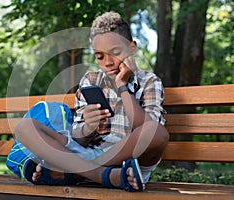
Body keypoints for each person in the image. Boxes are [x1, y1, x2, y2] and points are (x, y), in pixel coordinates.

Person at [15, 11, 169, 192]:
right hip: (87, 154)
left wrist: (122, 87)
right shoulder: (90, 80)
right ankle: (103, 175)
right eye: (100, 56)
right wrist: (87, 127)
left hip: (128, 160)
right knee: (24, 126)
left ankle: (74, 173)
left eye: (115, 52)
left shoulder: (150, 82)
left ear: (132, 48)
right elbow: (78, 139)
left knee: (156, 132)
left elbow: (148, 133)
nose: (108, 62)